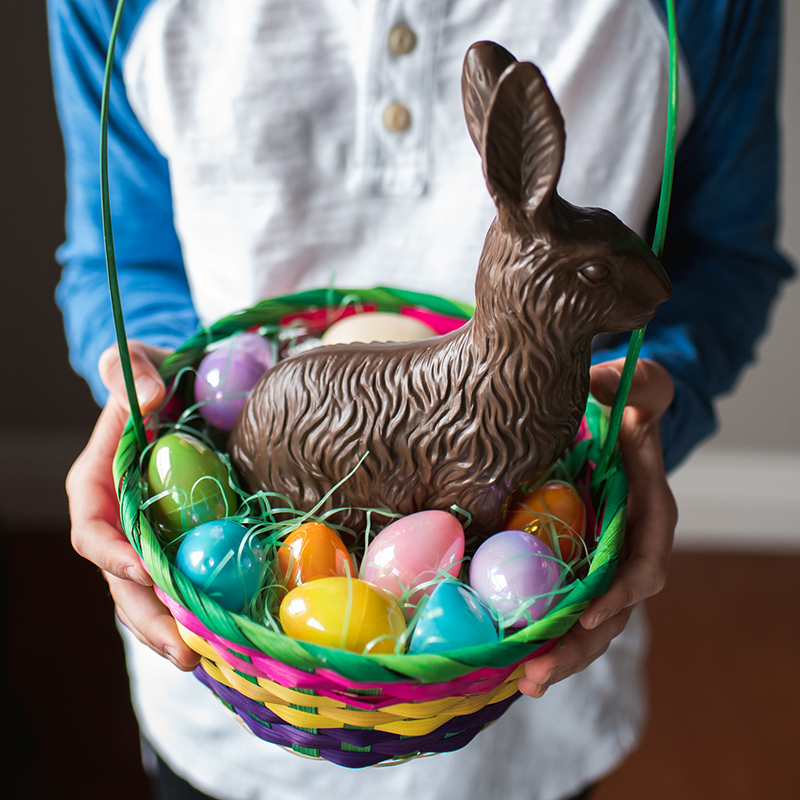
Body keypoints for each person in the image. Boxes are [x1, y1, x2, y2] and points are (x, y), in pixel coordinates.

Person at [48, 1, 793, 799]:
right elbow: (126, 258)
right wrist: (150, 397)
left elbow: (724, 261)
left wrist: (639, 416)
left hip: (530, 712)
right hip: (228, 687)